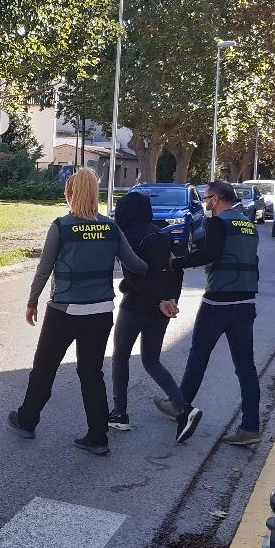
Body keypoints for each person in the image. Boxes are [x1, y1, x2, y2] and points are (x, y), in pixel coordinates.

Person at [9, 168, 148, 456]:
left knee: (45, 368)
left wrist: (32, 301)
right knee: (91, 373)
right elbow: (136, 264)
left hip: (65, 311)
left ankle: (27, 420)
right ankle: (98, 436)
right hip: (101, 312)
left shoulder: (62, 226)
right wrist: (161, 260)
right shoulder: (111, 228)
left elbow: (44, 269)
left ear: (70, 195)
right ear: (95, 195)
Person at [108, 190, 203, 443]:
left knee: (120, 358)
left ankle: (119, 414)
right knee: (152, 361)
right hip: (160, 310)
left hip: (136, 307)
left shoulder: (128, 236)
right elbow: (175, 269)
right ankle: (184, 409)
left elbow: (134, 276)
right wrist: (171, 300)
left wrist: (156, 300)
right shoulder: (162, 234)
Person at [173, 180, 262, 446]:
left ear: (217, 199)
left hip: (218, 302)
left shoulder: (217, 222)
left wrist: (176, 263)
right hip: (246, 301)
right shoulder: (248, 224)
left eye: (207, 197)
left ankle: (181, 406)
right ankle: (250, 428)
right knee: (246, 366)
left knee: (198, 356)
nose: (205, 201)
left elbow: (208, 253)